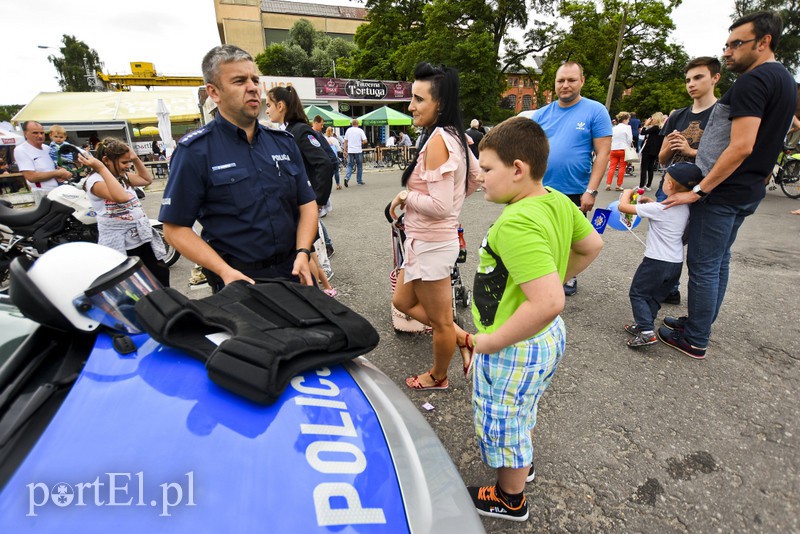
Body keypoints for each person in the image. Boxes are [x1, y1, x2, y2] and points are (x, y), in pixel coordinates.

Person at [461, 117, 603, 521]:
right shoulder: (556, 199)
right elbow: (593, 243)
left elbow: (547, 302)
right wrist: (555, 277)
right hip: (545, 340)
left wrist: (486, 342)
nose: (480, 176)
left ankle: (510, 497)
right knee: (523, 406)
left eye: (487, 169)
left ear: (518, 169)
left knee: (503, 418)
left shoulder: (516, 221)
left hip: (514, 346)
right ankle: (521, 466)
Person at [659, 11, 797, 359]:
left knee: (704, 264)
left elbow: (741, 145)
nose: (728, 52)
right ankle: (698, 324)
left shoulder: (754, 81)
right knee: (719, 261)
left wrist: (700, 189)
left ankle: (695, 338)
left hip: (723, 192)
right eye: (727, 44)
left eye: (738, 44)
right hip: (748, 189)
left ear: (764, 42)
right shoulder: (784, 79)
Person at [159, 45, 318, 293]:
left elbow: (307, 203)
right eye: (239, 81)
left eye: (255, 79)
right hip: (241, 280)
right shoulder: (195, 151)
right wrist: (224, 271)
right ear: (214, 92)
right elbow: (174, 228)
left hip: (295, 270)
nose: (253, 87)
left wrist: (304, 251)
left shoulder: (283, 142)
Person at [388, 62, 479, 390]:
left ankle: (438, 377)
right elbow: (475, 178)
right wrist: (454, 201)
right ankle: (464, 339)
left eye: (418, 99)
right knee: (401, 302)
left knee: (441, 322)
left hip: (431, 244)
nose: (410, 106)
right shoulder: (455, 134)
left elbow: (440, 206)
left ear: (439, 104)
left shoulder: (441, 139)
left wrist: (405, 196)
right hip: (426, 241)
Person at [524, 61, 612, 296]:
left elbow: (603, 153)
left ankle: (568, 275)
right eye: (560, 81)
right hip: (540, 189)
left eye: (571, 80)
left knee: (570, 237)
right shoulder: (542, 113)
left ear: (581, 81)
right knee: (539, 234)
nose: (565, 85)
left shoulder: (595, 111)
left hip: (574, 189)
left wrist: (591, 191)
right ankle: (540, 275)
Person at [618, 162, 698, 347]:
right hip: (675, 263)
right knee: (654, 297)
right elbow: (666, 213)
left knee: (637, 293)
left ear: (669, 185)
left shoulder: (659, 209)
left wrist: (628, 193)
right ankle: (644, 323)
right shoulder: (685, 207)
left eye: (665, 179)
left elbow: (624, 208)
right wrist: (652, 203)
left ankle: (646, 332)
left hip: (656, 262)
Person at [265, 85, 336, 284]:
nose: (267, 110)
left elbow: (324, 164)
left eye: (269, 105)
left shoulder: (300, 131)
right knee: (306, 254)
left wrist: (316, 200)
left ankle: (314, 297)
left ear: (281, 105)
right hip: (294, 205)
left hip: (303, 206)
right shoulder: (288, 131)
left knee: (306, 254)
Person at [80, 138, 170, 287]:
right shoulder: (94, 181)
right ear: (106, 160)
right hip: (121, 244)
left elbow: (146, 179)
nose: (127, 166)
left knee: (160, 274)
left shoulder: (122, 176)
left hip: (141, 238)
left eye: (128, 162)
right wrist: (102, 168)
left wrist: (134, 158)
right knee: (136, 285)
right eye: (124, 162)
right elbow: (121, 197)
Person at [658, 57, 722, 193]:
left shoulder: (724, 114)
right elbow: (662, 159)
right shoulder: (677, 115)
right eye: (688, 80)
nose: (691, 84)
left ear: (715, 78)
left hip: (705, 189)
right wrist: (672, 144)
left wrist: (691, 151)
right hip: (670, 187)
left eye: (698, 77)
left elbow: (729, 158)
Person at [14, 121, 72, 203]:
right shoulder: (21, 150)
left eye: (42, 133)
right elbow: (31, 177)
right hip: (43, 193)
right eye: (35, 133)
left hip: (60, 190)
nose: (40, 136)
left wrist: (63, 173)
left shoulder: (48, 148)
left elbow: (54, 169)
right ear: (25, 133)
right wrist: (57, 173)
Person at [605, 111, 633, 191]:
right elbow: (629, 139)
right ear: (625, 119)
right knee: (622, 167)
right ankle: (618, 185)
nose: (628, 121)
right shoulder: (627, 128)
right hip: (623, 148)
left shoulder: (614, 128)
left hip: (614, 148)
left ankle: (608, 183)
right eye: (628, 119)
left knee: (612, 167)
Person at [639, 112, 666, 190]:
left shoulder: (655, 128)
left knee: (644, 167)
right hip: (656, 150)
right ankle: (648, 185)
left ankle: (641, 185)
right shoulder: (662, 128)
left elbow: (642, 132)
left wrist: (645, 125)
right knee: (650, 168)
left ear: (656, 119)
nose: (651, 120)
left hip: (648, 149)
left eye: (653, 119)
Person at [343, 118, 367, 186]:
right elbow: (365, 141)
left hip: (350, 150)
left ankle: (347, 178)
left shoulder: (348, 130)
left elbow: (345, 141)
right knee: (359, 165)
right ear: (358, 124)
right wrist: (360, 142)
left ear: (352, 124)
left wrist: (345, 150)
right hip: (358, 150)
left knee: (350, 165)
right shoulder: (360, 131)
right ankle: (359, 180)